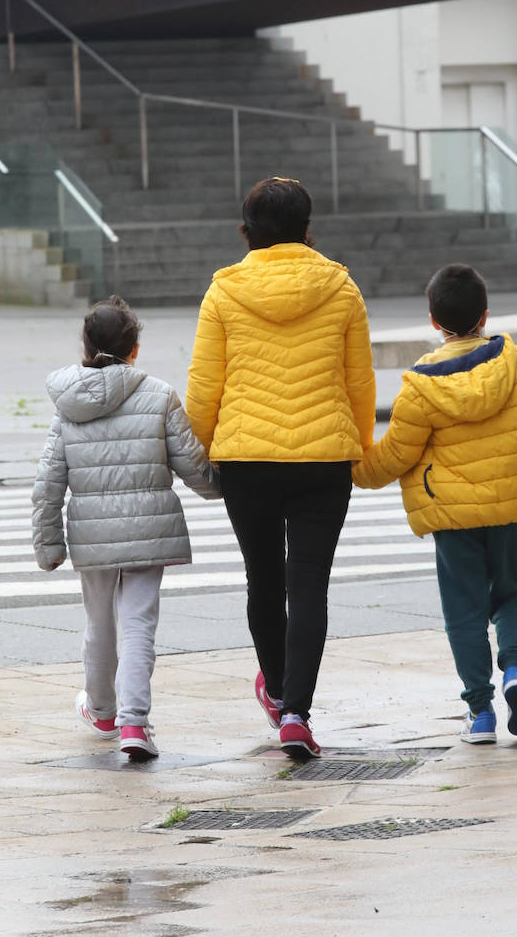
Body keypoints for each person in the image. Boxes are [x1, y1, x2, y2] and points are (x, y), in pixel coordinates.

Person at [352, 262, 517, 744]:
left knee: (464, 611)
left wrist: (351, 470)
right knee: (511, 594)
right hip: (514, 507)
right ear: (486, 314)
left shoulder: (421, 388)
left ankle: (481, 713)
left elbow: (395, 456)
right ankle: (515, 671)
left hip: (453, 517)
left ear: (433, 321)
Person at [186, 177, 376, 760]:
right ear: (306, 228)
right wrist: (359, 448)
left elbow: (203, 389)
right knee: (309, 584)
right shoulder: (341, 289)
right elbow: (360, 383)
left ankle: (274, 690)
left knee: (263, 579)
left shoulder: (224, 293)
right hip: (323, 461)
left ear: (247, 230)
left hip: (247, 459)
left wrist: (201, 455)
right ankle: (297, 711)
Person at [31, 295, 219, 761]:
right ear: (134, 348)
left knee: (99, 625)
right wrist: (226, 487)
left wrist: (48, 545)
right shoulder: (159, 394)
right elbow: (192, 464)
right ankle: (136, 724)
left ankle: (101, 710)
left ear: (86, 345)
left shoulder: (67, 406)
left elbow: (48, 482)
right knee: (138, 626)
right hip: (150, 530)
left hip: (92, 536)